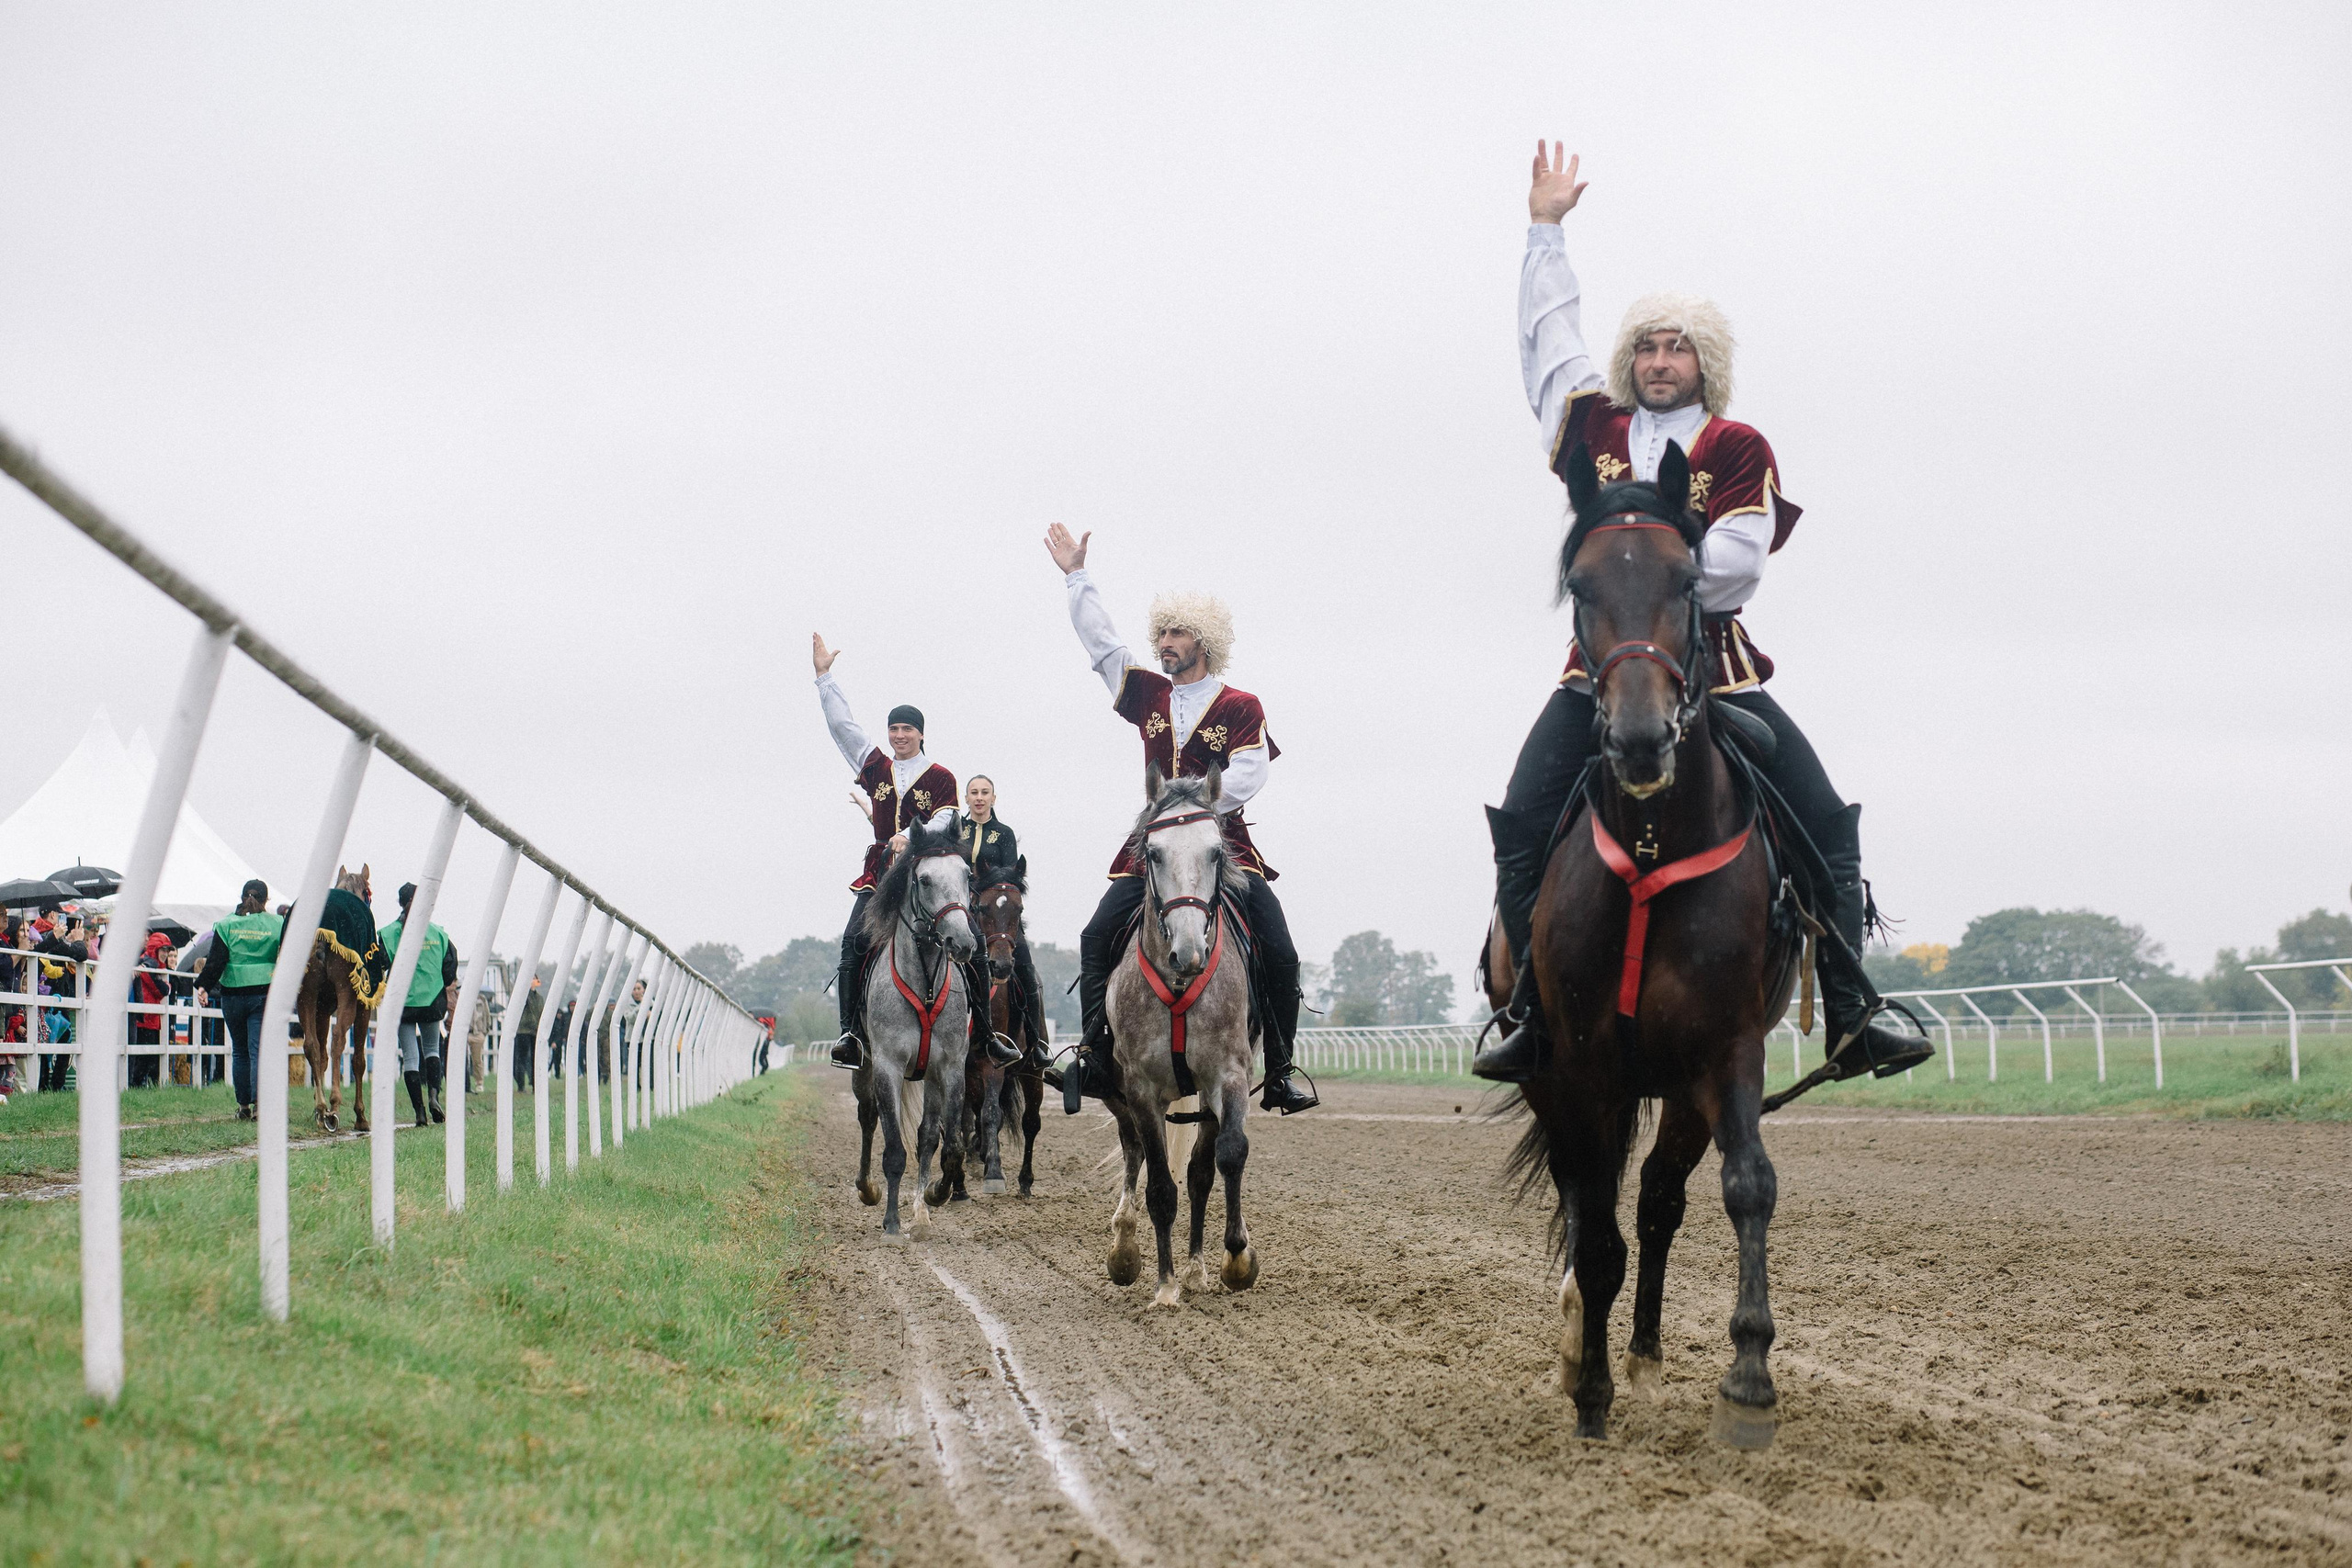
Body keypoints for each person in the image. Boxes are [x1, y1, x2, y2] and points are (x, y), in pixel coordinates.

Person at [1476, 142, 1932, 1086]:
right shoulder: (1587, 424)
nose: (1657, 361)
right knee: (1521, 822)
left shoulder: (1735, 446)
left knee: (1826, 825)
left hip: (1714, 675)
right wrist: (1544, 231)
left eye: (1675, 346)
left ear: (1703, 362)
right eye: (1644, 345)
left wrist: (1646, 563)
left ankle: (1853, 1008)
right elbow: (1545, 339)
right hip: (1594, 676)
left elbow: (1731, 570)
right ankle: (1525, 1013)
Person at [1041, 525, 1317, 1115]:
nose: (1165, 641)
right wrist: (1076, 577)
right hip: (1152, 850)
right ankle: (1095, 1054)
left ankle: (1283, 1068)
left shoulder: (1241, 705)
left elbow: (1250, 771)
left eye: (1178, 632)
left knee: (1282, 950)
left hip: (1225, 848)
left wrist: (1195, 813)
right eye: (1161, 631)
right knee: (1095, 937)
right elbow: (1103, 647)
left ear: (1205, 641)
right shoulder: (1147, 693)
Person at [812, 632, 1017, 1071]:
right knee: (852, 943)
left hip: (929, 873)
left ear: (921, 733)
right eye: (894, 729)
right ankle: (850, 1034)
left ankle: (983, 1033)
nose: (899, 735)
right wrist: (824, 678)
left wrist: (910, 833)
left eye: (907, 729)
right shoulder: (875, 767)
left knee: (975, 943)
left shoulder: (941, 775)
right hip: (882, 876)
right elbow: (843, 729)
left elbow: (947, 818)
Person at [960, 775, 1050, 1069]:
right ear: (966, 798)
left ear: (993, 798)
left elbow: (1010, 878)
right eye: (974, 792)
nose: (979, 797)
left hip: (997, 917)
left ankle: (1036, 1043)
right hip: (958, 914)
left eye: (985, 792)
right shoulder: (955, 830)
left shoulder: (1004, 834)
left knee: (1026, 969)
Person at [196, 881, 284, 1118]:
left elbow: (215, 961)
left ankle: (243, 1106)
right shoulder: (278, 924)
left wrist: (203, 986)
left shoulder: (226, 925)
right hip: (262, 993)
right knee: (258, 1051)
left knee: (240, 1052)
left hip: (232, 995)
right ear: (266, 900)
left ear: (243, 897)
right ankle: (260, 1107)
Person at [379, 882, 460, 1126]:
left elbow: (381, 964)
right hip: (431, 1001)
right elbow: (450, 971)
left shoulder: (388, 934)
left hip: (402, 1004)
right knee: (432, 1049)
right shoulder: (439, 934)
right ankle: (434, 1096)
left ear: (400, 903)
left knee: (410, 1058)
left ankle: (419, 1113)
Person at [35, 912, 90, 1093]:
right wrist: (78, 940)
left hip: (56, 998)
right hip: (50, 998)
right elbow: (81, 954)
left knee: (58, 1041)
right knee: (53, 1041)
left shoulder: (45, 936)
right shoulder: (48, 937)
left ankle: (50, 1085)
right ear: (51, 915)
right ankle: (49, 1086)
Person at [128, 930, 178, 1090]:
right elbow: (161, 990)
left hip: (152, 1018)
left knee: (151, 1058)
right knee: (143, 1059)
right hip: (144, 1018)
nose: (165, 954)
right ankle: (135, 1087)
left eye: (167, 950)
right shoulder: (148, 964)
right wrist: (167, 987)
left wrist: (166, 987)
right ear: (155, 948)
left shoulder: (156, 966)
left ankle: (142, 1087)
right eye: (163, 950)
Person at [511, 975, 544, 1089]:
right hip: (523, 1030)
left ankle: (535, 1084)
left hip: (535, 1031)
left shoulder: (539, 998)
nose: (533, 981)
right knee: (522, 1058)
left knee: (535, 1058)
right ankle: (521, 1085)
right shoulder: (523, 995)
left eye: (535, 978)